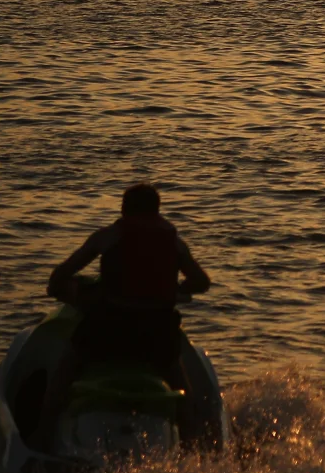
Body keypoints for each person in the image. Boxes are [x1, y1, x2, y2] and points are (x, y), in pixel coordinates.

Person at [34, 183, 211, 446]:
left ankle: (42, 434)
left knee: (66, 368)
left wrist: (69, 292)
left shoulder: (108, 236)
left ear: (123, 208)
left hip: (109, 328)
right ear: (157, 210)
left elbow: (60, 276)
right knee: (178, 379)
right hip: (156, 332)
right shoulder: (174, 242)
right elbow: (201, 282)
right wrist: (176, 290)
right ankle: (194, 441)